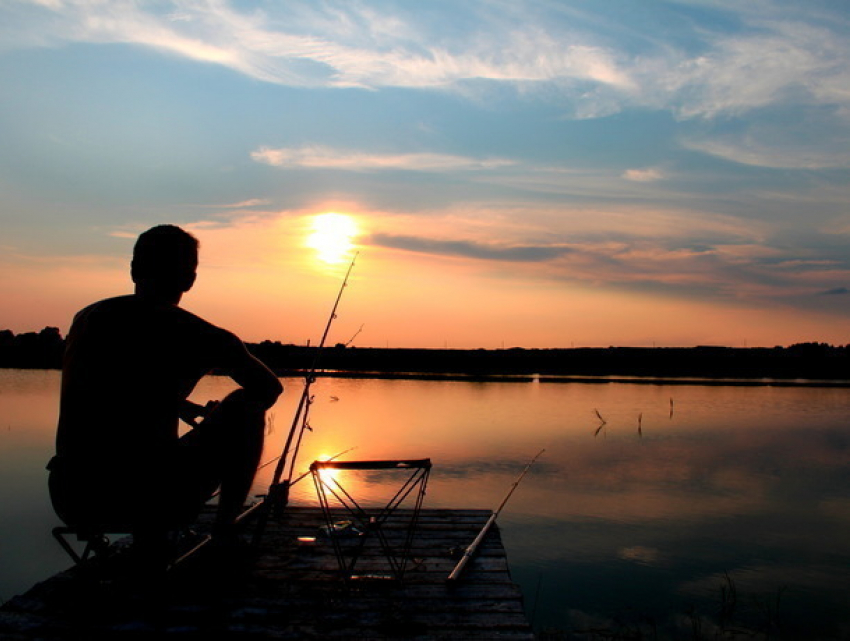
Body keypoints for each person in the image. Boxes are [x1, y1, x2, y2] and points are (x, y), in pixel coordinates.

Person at [48, 224, 283, 565]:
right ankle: (223, 531)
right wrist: (219, 419)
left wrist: (176, 404)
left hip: (74, 497)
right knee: (246, 407)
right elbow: (268, 389)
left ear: (133, 269)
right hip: (155, 497)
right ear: (190, 280)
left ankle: (149, 543)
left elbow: (120, 388)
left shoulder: (88, 318)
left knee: (135, 454)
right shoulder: (204, 335)